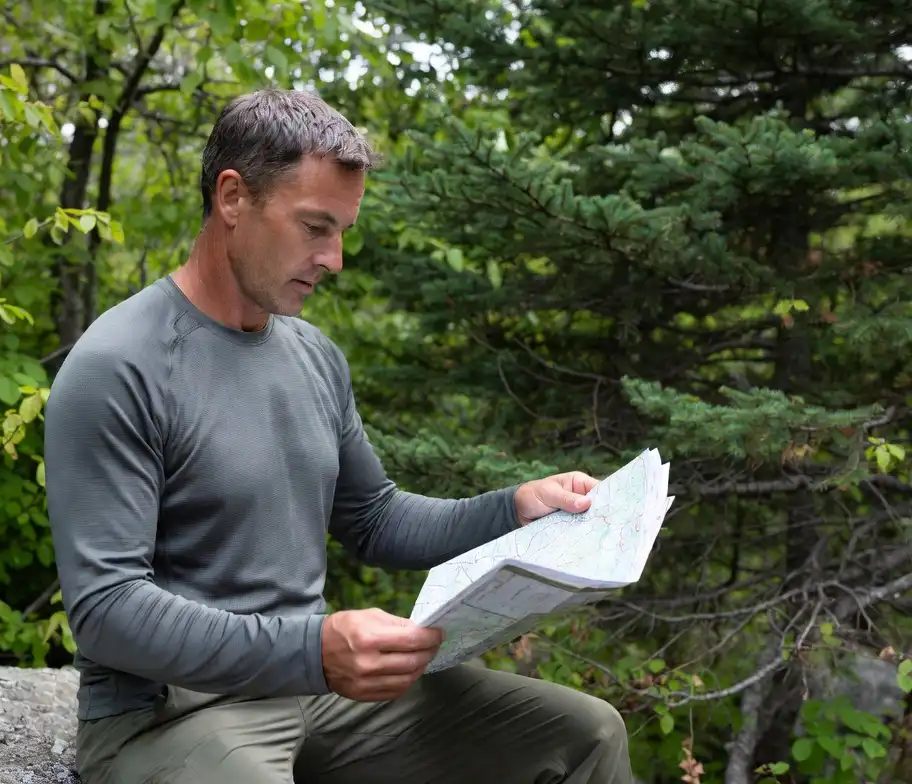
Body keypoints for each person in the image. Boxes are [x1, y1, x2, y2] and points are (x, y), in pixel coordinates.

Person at [43, 88, 633, 784]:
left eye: (343, 231)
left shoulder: (313, 357)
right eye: (315, 227)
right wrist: (314, 649)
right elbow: (107, 612)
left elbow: (374, 518)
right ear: (233, 199)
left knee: (586, 734)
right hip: (172, 713)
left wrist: (510, 511)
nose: (335, 258)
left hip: (318, 697)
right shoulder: (120, 365)